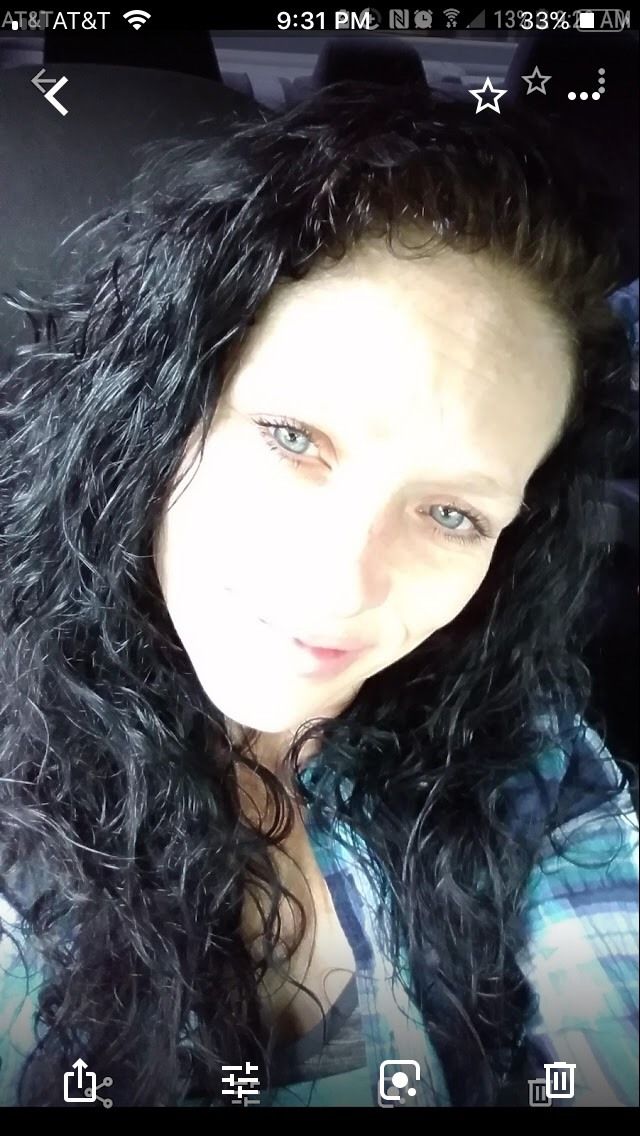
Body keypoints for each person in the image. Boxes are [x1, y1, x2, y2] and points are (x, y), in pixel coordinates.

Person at [0, 82, 638, 1109]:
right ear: (160, 409)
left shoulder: (534, 757)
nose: (340, 583)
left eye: (452, 513)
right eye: (292, 437)